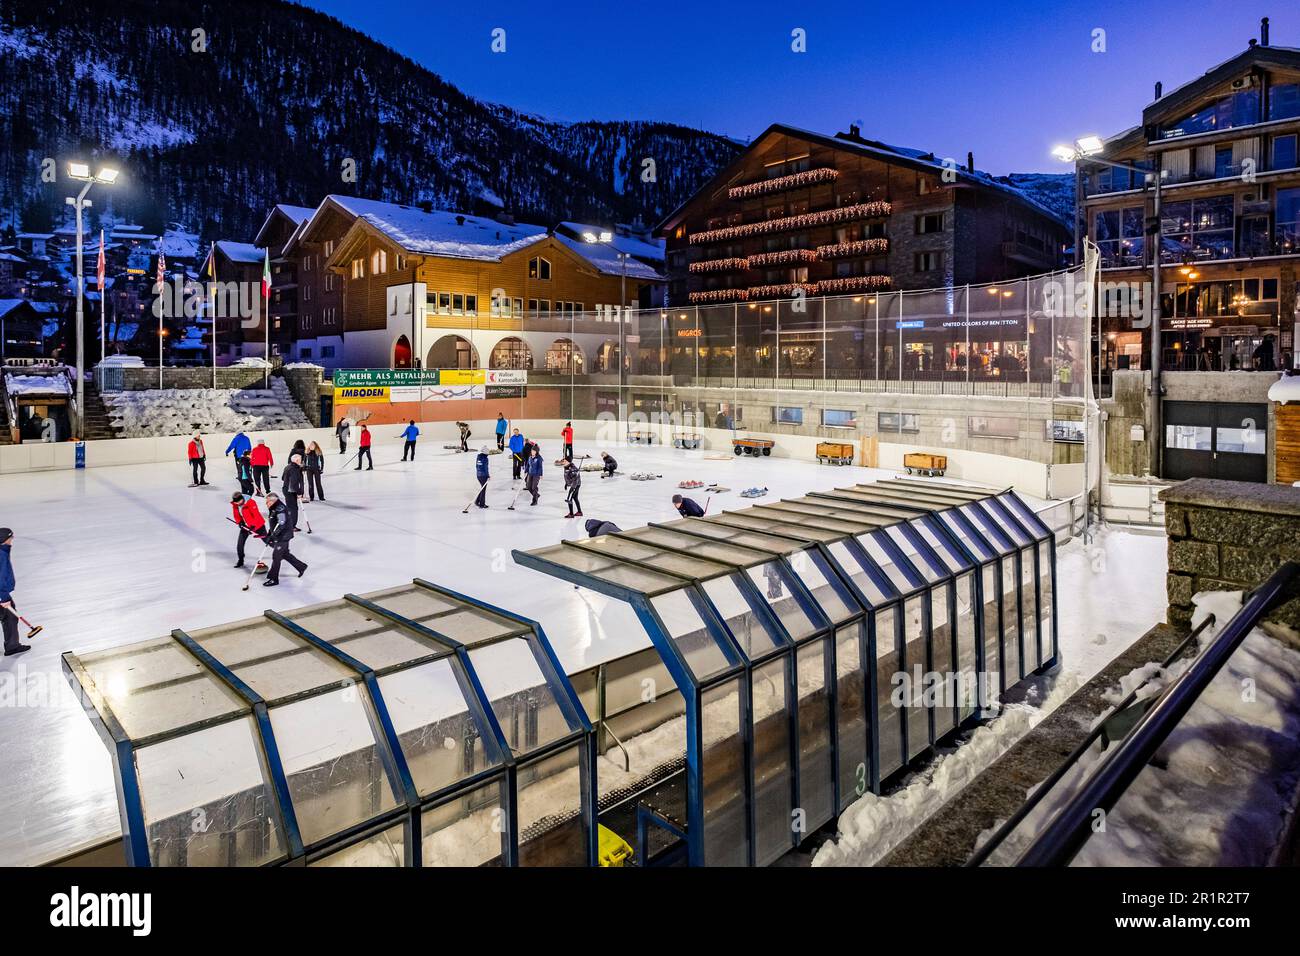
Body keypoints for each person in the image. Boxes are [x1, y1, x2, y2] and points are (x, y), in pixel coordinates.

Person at [263, 493, 307, 587]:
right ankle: (301, 566)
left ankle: (273, 579)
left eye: (267, 502)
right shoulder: (274, 508)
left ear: (273, 501)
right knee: (285, 554)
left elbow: (281, 524)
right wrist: (269, 535)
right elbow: (273, 525)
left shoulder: (280, 509)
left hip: (283, 537)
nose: (266, 503)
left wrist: (273, 535)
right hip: (280, 535)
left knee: (276, 557)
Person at [0, 528, 29, 657]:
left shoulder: (3, 551)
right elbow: (1, 577)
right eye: (10, 537)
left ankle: (12, 645)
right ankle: (12, 646)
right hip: (1, 594)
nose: (12, 540)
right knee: (9, 616)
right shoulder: (1, 554)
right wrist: (3, 597)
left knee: (10, 616)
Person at [230, 492, 266, 569]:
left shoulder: (251, 502)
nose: (237, 504)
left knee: (267, 541)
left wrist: (253, 526)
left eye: (238, 502)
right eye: (235, 502)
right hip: (246, 527)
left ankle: (281, 552)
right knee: (240, 544)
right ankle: (241, 560)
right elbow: (236, 514)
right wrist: (239, 522)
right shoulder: (236, 504)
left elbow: (256, 515)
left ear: (242, 499)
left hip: (258, 525)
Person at [282, 453, 305, 530]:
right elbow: (294, 483)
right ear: (297, 460)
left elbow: (283, 478)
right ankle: (292, 526)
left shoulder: (288, 467)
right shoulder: (294, 469)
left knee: (289, 508)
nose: (301, 462)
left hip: (286, 489)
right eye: (300, 460)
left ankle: (288, 525)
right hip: (291, 491)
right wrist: (299, 493)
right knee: (294, 509)